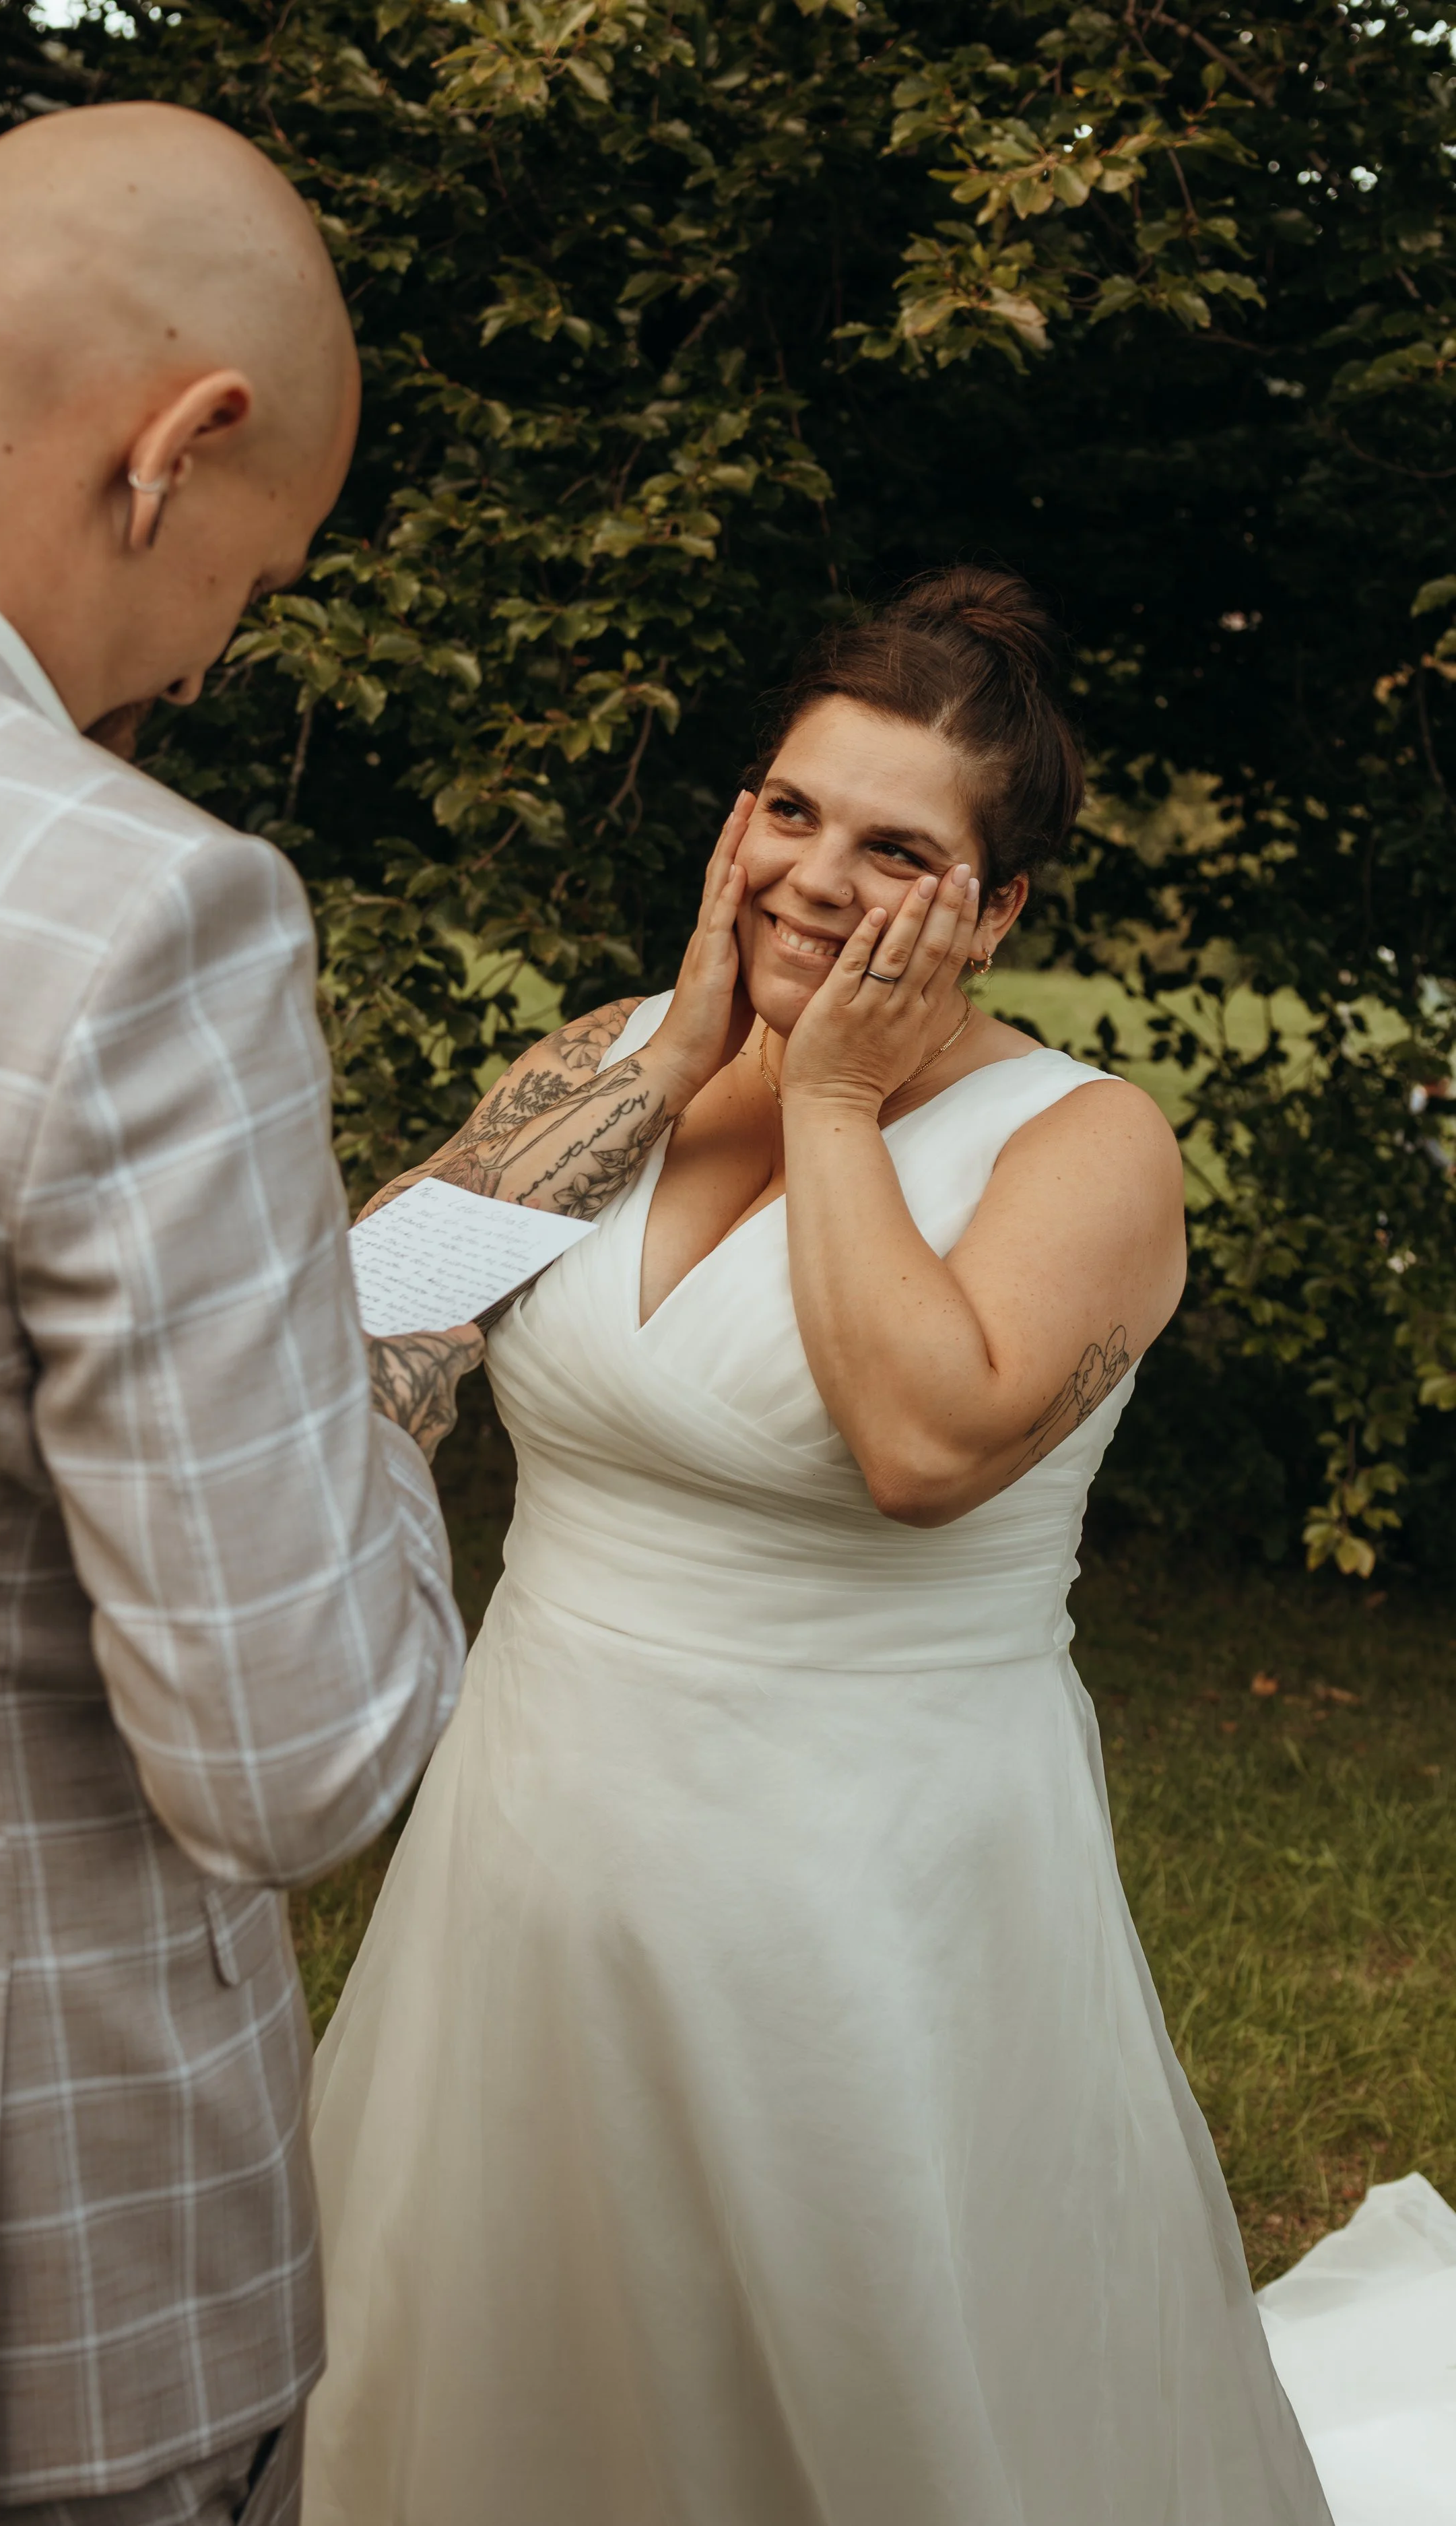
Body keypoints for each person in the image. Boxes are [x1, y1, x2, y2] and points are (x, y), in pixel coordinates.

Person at [302, 569, 1334, 2524]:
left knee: (865, 2377)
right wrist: (660, 1062)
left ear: (997, 908)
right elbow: (347, 1344)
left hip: (863, 1888)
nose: (809, 875)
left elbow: (923, 1443)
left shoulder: (1080, 1145)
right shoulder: (617, 1061)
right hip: (532, 1838)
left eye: (895, 850)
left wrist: (837, 1102)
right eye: (789, 808)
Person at [0, 103, 473, 2526]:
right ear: (180, 450)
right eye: (252, 587)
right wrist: (371, 1383)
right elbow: (289, 1755)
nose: (201, 658)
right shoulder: (127, 916)